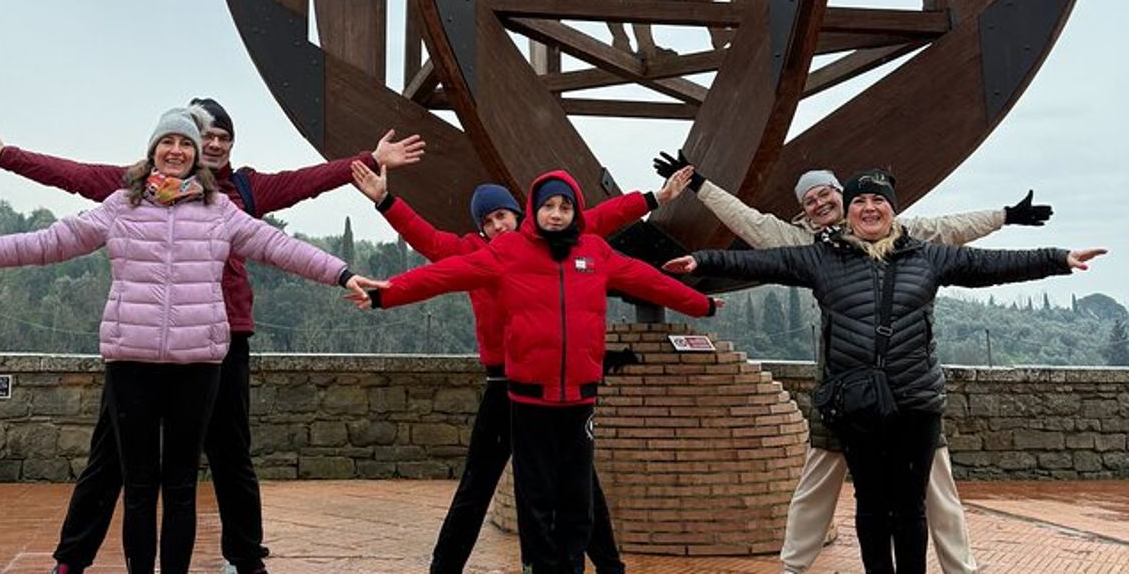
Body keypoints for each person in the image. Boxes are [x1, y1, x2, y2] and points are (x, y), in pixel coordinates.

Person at [0, 99, 424, 574]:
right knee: (113, 463)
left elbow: (297, 206)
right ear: (157, 147)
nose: (202, 144)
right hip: (137, 348)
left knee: (224, 457)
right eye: (190, 136)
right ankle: (72, 558)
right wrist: (4, 159)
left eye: (215, 138)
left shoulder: (237, 196)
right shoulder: (126, 195)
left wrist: (367, 171)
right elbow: (64, 188)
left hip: (217, 341)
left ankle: (246, 558)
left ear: (218, 148)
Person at [663, 168, 1104, 574]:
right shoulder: (811, 251)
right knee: (858, 498)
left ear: (884, 205)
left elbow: (980, 258)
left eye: (833, 194)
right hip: (849, 395)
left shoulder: (921, 248)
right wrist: (704, 253)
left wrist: (1050, 252)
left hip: (913, 396)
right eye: (856, 201)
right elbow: (756, 247)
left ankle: (958, 568)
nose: (856, 206)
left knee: (924, 497)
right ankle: (795, 565)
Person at [347, 170, 720, 574]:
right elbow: (434, 259)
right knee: (486, 484)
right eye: (487, 222)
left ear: (519, 214)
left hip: (564, 391)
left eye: (502, 216)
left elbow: (607, 221)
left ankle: (604, 565)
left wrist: (654, 198)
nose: (496, 226)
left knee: (579, 490)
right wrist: (387, 208)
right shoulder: (482, 252)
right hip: (508, 385)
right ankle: (450, 566)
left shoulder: (564, 237)